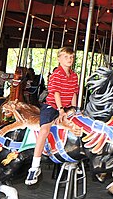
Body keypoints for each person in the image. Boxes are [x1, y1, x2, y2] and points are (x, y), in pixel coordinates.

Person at [26, 47, 79, 186]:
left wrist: (74, 109)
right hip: (53, 106)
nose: (69, 59)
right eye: (66, 57)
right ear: (59, 59)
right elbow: (55, 93)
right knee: (44, 130)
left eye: (71, 57)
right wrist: (61, 110)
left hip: (67, 107)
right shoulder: (56, 74)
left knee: (78, 126)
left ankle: (72, 158)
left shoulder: (74, 75)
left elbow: (74, 93)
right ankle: (35, 166)